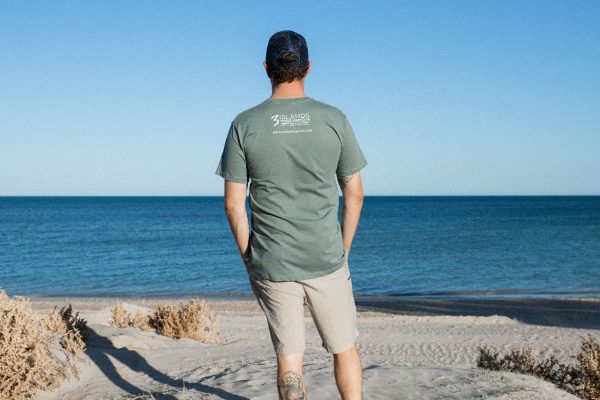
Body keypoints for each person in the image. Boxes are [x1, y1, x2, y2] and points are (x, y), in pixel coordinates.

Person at [215, 30, 367, 400]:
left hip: (273, 260)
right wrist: (341, 250)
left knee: (289, 360)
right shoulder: (334, 119)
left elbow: (234, 204)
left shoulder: (244, 124)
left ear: (266, 68)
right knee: (344, 348)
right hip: (325, 257)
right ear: (308, 68)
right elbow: (355, 194)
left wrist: (250, 256)